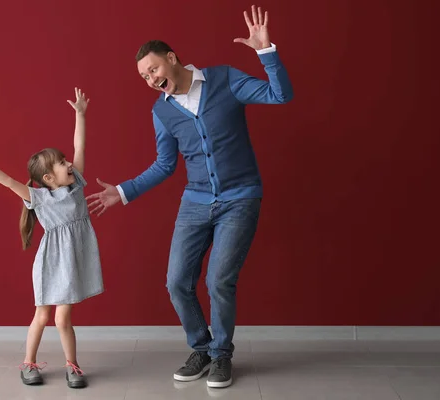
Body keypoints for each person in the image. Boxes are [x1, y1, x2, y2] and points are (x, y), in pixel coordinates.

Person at [86, 6, 293, 388]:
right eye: (144, 76)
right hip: (195, 202)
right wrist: (123, 191)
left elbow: (280, 95)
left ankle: (222, 356)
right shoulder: (161, 112)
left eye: (153, 69)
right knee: (177, 282)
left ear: (172, 58)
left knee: (218, 281)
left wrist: (267, 52)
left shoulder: (224, 80)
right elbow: (165, 165)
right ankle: (202, 346)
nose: (150, 79)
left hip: (239, 199)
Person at [0, 88, 103, 389]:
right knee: (44, 316)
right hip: (53, 263)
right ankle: (29, 362)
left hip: (72, 260)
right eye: (61, 163)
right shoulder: (39, 198)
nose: (68, 163)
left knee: (63, 319)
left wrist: (80, 114)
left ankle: (72, 366)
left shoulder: (75, 187)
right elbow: (10, 183)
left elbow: (80, 148)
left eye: (65, 160)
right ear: (48, 178)